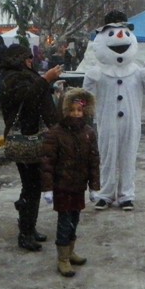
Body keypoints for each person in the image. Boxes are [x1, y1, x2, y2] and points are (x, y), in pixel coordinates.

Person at [84, 10, 145, 211]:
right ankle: (105, 194)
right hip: (106, 120)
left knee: (128, 157)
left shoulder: (137, 71)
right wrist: (89, 80)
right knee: (107, 157)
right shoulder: (100, 71)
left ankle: (126, 194)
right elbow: (85, 97)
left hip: (131, 122)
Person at [1, 43, 63, 251]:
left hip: (34, 137)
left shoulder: (22, 75)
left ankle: (28, 223)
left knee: (33, 185)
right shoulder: (14, 77)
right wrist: (45, 80)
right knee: (32, 186)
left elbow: (36, 96)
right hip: (25, 139)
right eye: (27, 57)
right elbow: (27, 99)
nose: (31, 60)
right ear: (18, 59)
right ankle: (25, 232)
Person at [40, 88, 100, 277]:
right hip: (62, 186)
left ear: (85, 111)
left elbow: (93, 161)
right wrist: (48, 188)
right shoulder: (56, 134)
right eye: (72, 110)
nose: (76, 114)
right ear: (65, 111)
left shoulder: (88, 133)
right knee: (65, 221)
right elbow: (47, 162)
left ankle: (70, 250)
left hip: (78, 186)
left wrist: (94, 187)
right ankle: (63, 257)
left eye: (79, 110)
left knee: (74, 219)